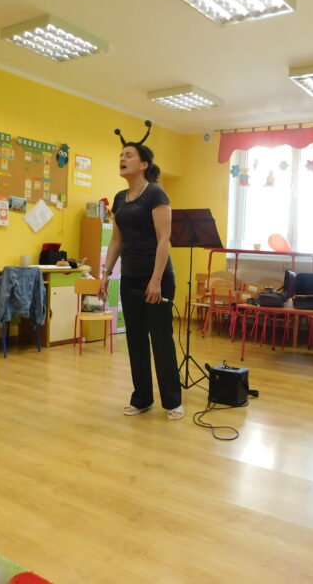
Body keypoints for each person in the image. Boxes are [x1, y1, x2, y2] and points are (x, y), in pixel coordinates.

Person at [99, 124, 183, 420]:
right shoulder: (119, 198)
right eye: (121, 155)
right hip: (131, 277)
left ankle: (173, 401)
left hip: (157, 277)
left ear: (144, 164)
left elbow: (164, 239)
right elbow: (116, 240)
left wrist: (156, 280)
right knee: (135, 339)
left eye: (129, 155)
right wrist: (106, 273)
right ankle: (142, 398)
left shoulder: (156, 194)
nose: (122, 159)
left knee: (160, 338)